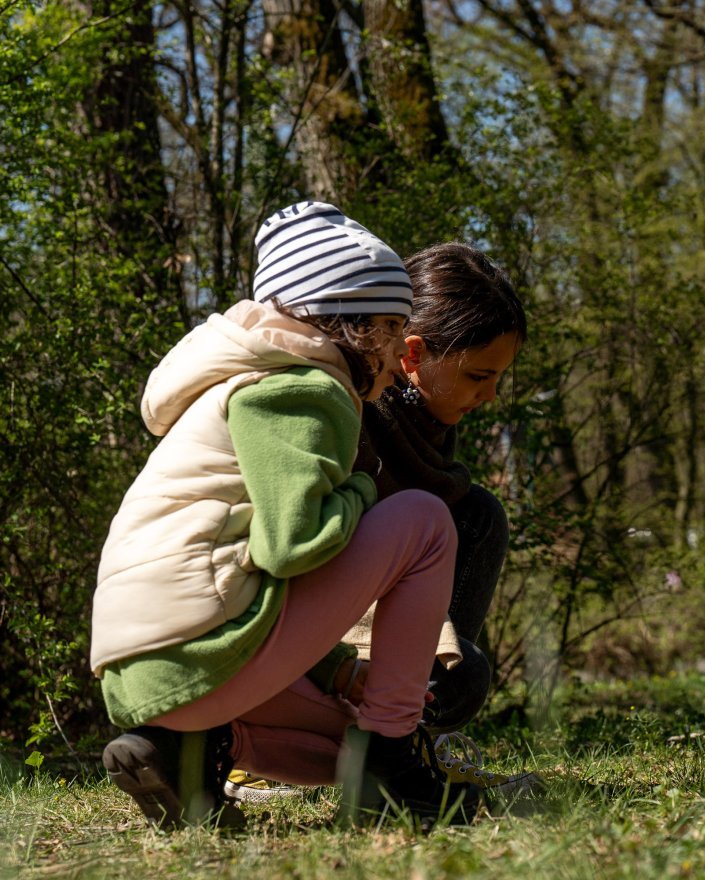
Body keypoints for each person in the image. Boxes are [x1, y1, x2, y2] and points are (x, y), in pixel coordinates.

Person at [92, 201, 477, 830]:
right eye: (393, 324)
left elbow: (254, 567)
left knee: (341, 747)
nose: (400, 347)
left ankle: (186, 757)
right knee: (425, 521)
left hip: (150, 676)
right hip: (201, 654)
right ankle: (392, 766)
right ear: (356, 326)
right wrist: (360, 491)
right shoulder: (304, 389)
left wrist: (334, 669)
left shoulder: (241, 380)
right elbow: (292, 549)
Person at [226, 241, 536, 805]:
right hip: (287, 639)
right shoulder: (350, 410)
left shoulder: (428, 422)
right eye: (478, 375)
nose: (490, 396)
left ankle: (409, 745)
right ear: (412, 355)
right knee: (457, 675)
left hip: (355, 628)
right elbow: (304, 554)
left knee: (478, 517)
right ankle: (267, 754)